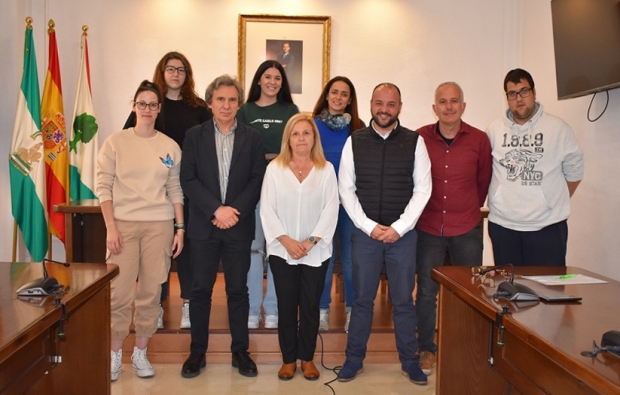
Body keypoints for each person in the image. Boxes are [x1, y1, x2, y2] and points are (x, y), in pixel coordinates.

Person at [337, 83, 431, 386]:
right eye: (379, 103)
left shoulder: (415, 142)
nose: (384, 109)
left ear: (400, 107)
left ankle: (409, 361)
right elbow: (345, 189)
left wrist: (399, 228)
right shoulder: (355, 141)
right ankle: (353, 360)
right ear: (370, 104)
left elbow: (423, 189)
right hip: (365, 234)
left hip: (402, 236)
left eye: (391, 104)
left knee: (404, 300)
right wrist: (369, 227)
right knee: (362, 300)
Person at [97, 80, 185, 381]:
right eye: (141, 103)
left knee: (150, 293)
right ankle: (113, 355)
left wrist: (180, 227)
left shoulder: (170, 146)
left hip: (159, 226)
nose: (147, 109)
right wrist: (110, 227)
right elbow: (103, 187)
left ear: (159, 109)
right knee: (119, 294)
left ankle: (140, 353)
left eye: (152, 104)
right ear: (134, 106)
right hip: (122, 225)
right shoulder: (114, 142)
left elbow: (175, 189)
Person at [180, 75, 266, 379]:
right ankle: (197, 353)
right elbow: (187, 179)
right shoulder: (194, 136)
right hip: (204, 225)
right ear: (210, 103)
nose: (226, 105)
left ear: (239, 103)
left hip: (238, 227)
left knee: (237, 291)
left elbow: (257, 181)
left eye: (232, 99)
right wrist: (217, 209)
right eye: (220, 99)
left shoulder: (253, 138)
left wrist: (234, 212)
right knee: (200, 291)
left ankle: (240, 351)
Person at [123, 51, 212, 330]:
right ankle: (156, 306)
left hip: (189, 188)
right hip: (153, 192)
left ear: (188, 75)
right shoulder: (150, 106)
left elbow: (209, 148)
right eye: (170, 69)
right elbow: (130, 143)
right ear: (161, 72)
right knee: (158, 252)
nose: (175, 74)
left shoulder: (198, 108)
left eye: (181, 69)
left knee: (187, 248)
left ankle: (188, 303)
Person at [414, 82, 492, 376]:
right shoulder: (420, 137)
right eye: (443, 102)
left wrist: (466, 208)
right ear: (434, 108)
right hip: (429, 227)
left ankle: (466, 346)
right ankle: (426, 349)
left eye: (454, 101)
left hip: (467, 227)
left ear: (463, 106)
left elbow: (483, 181)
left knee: (471, 292)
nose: (449, 107)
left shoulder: (480, 140)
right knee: (426, 293)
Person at [260, 113, 339, 381]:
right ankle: (288, 359)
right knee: (286, 305)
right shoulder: (275, 169)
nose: (301, 138)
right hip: (283, 251)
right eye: (296, 134)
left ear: (314, 138)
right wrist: (286, 240)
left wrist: (310, 241)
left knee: (309, 306)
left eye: (306, 133)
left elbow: (331, 209)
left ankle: (307, 358)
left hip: (315, 252)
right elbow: (267, 209)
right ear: (288, 139)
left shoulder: (325, 170)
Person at [486, 68, 584, 266]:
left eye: (524, 91)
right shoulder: (494, 130)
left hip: (547, 228)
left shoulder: (558, 129)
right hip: (503, 227)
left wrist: (550, 200)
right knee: (509, 293)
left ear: (534, 92)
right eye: (512, 94)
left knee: (548, 293)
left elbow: (575, 170)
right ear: (507, 98)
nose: (519, 98)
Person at [237, 60, 299, 330]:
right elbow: (240, 149)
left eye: (277, 78)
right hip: (250, 189)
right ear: (258, 80)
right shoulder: (245, 110)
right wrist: (268, 157)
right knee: (253, 249)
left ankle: (273, 308)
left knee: (278, 248)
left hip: (281, 190)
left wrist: (271, 158)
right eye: (267, 77)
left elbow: (295, 148)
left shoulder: (290, 110)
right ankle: (251, 308)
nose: (272, 82)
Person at [311, 76, 365, 332]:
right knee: (323, 258)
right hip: (320, 203)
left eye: (344, 94)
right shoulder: (311, 126)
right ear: (327, 94)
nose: (338, 97)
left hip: (349, 204)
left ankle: (353, 309)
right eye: (334, 92)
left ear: (350, 100)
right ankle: (321, 309)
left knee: (352, 259)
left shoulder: (359, 128)